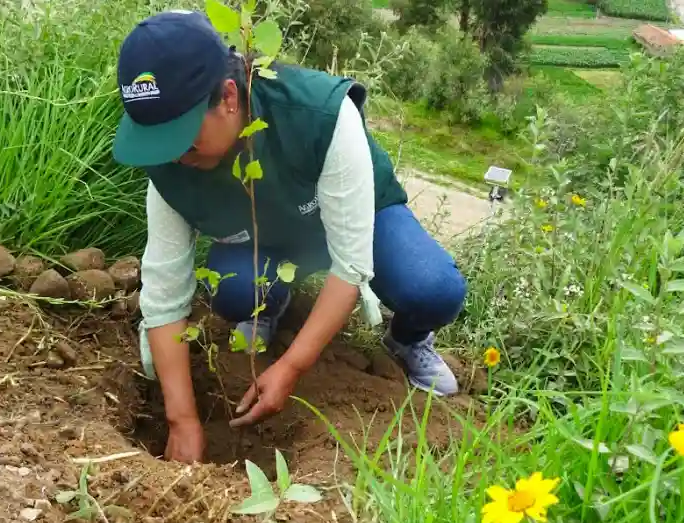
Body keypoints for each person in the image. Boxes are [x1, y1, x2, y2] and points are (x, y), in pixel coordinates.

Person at [112, 10, 467, 463]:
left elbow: (351, 262)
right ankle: (273, 303)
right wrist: (182, 420)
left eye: (182, 136)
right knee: (235, 288)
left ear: (227, 97)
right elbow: (163, 296)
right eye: (157, 139)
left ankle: (407, 340)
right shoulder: (167, 164)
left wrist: (292, 366)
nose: (173, 156)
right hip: (272, 243)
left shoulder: (318, 113)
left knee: (433, 289)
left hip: (359, 223)